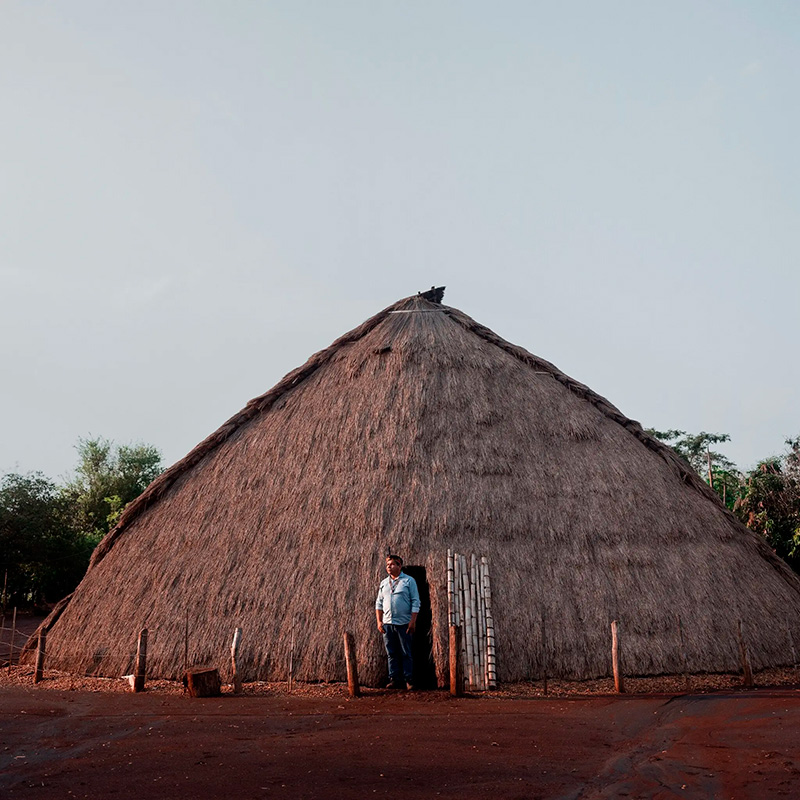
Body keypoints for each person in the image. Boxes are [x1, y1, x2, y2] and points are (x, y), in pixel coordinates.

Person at [375, 554, 420, 690]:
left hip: (404, 623)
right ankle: (394, 679)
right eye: (388, 565)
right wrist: (379, 621)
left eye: (392, 564)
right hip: (388, 624)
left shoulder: (409, 581)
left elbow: (415, 601)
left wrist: (412, 621)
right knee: (391, 653)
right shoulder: (384, 583)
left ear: (399, 565)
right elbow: (379, 603)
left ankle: (409, 680)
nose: (389, 567)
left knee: (406, 652)